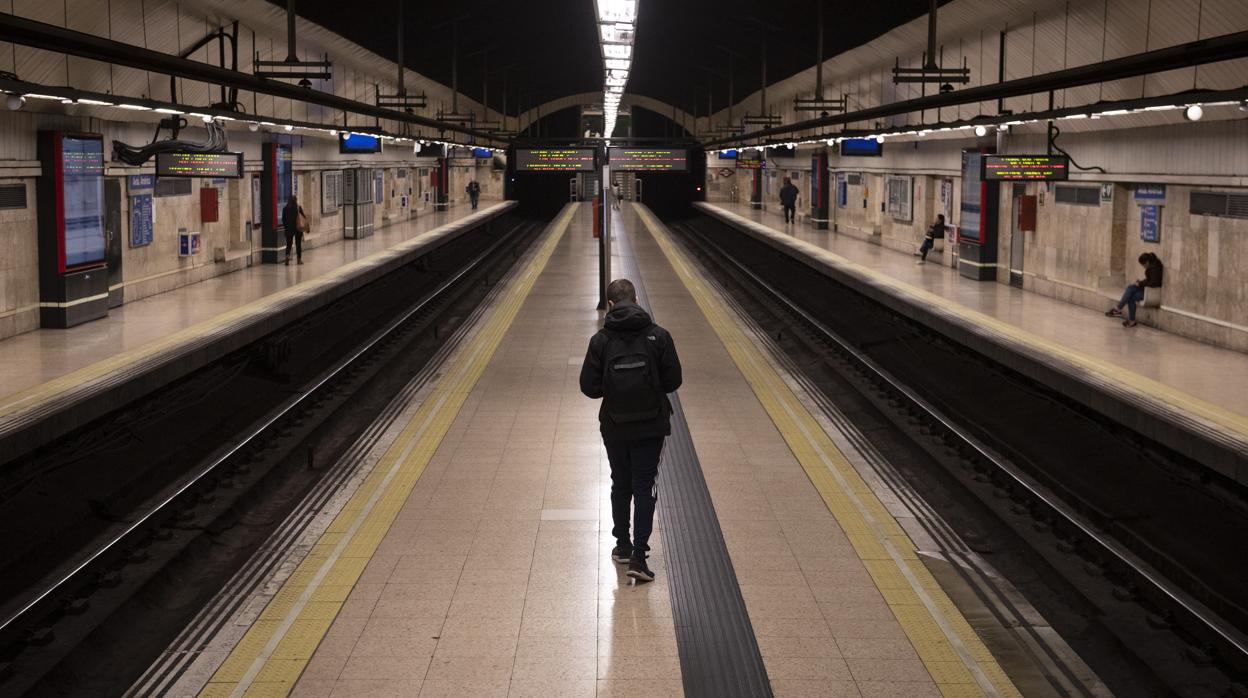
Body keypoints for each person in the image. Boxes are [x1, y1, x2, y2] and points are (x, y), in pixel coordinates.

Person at [580, 279, 682, 583]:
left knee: (620, 483)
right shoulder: (658, 336)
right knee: (644, 485)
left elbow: (589, 388)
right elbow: (673, 381)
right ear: (635, 300)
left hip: (614, 425)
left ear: (610, 304)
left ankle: (622, 545)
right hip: (651, 425)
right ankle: (639, 556)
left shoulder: (601, 341)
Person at [1106, 252, 1163, 327]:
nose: (1143, 267)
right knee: (1131, 291)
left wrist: (1140, 284)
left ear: (1147, 262)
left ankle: (1119, 309)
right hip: (1147, 289)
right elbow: (1149, 280)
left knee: (1131, 291)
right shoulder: (1153, 266)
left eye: (1143, 265)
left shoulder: (1155, 268)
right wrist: (1140, 283)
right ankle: (1129, 319)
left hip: (1151, 292)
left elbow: (1153, 282)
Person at [281, 194, 307, 265]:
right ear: (296, 200)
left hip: (289, 229)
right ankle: (299, 260)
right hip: (298, 229)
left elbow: (283, 220)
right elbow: (303, 217)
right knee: (298, 244)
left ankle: (287, 256)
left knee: (289, 244)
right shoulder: (298, 208)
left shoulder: (285, 209)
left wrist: (286, 227)